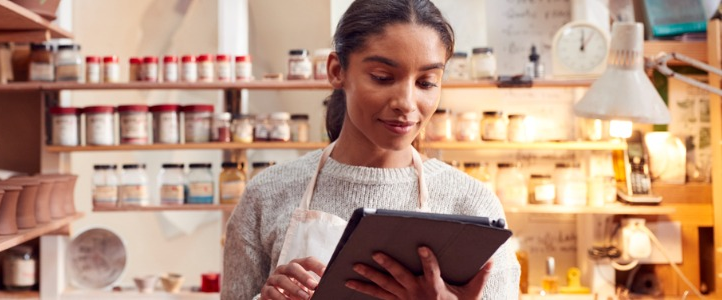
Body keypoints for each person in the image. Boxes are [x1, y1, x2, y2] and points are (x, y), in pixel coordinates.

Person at [222, 0, 520, 299]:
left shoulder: (471, 204)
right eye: (383, 77)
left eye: (426, 82)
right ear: (337, 71)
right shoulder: (267, 195)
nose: (406, 102)